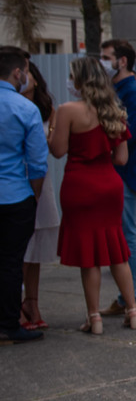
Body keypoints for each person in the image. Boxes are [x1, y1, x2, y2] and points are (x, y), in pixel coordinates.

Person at [51, 57, 136, 334]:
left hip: (79, 184)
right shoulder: (113, 111)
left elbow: (57, 150)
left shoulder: (67, 110)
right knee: (117, 250)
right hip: (109, 185)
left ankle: (95, 317)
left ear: (78, 80)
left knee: (88, 255)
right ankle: (133, 310)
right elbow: (122, 158)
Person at [98, 38, 136, 316]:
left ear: (122, 61)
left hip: (126, 172)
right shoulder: (123, 90)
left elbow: (125, 134)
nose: (102, 61)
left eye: (106, 57)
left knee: (128, 232)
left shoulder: (133, 92)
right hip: (124, 171)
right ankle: (135, 293)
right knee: (126, 232)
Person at [0, 46, 48, 344]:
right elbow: (37, 163)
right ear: (18, 73)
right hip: (15, 195)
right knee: (10, 262)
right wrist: (35, 195)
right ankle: (7, 323)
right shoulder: (25, 109)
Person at [20, 60, 63, 331]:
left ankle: (32, 301)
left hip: (39, 178)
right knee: (18, 248)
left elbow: (53, 147)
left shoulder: (47, 109)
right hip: (18, 177)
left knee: (34, 247)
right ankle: (18, 305)